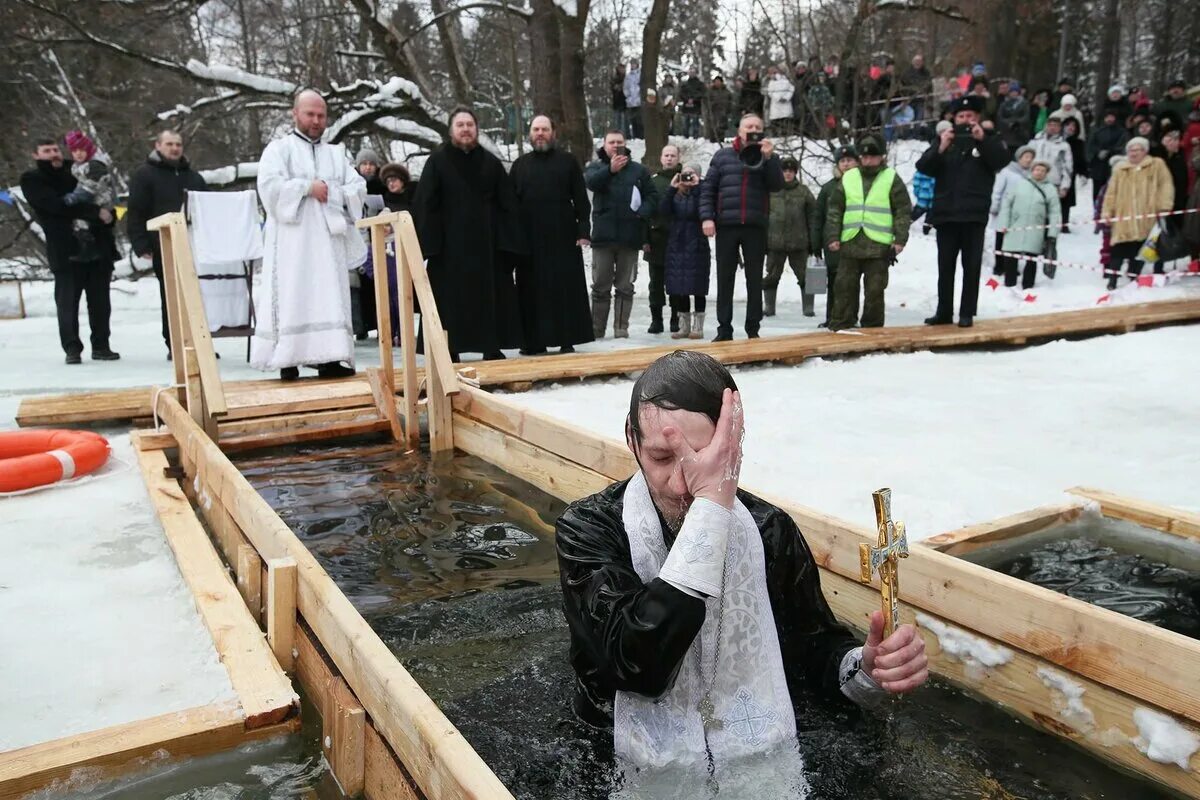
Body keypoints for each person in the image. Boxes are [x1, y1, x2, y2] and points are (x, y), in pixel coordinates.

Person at [555, 350, 928, 769]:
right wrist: (712, 508)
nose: (683, 483)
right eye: (662, 457)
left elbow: (811, 646)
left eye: (704, 460)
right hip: (617, 750)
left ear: (732, 448)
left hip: (756, 749)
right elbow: (636, 669)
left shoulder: (769, 529)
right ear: (631, 439)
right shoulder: (588, 528)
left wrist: (865, 668)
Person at [252, 90, 365, 379]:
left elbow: (357, 188)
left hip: (328, 244)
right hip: (293, 242)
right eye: (310, 114)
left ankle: (329, 358)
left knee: (329, 295)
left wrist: (332, 191)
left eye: (321, 115)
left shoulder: (336, 154)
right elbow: (269, 188)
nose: (316, 121)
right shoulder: (279, 150)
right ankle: (288, 359)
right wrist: (306, 188)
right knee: (294, 294)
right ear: (295, 114)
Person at [415, 106, 526, 360]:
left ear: (476, 129)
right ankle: (449, 350)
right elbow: (425, 203)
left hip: (487, 246)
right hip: (450, 249)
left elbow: (507, 204)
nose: (465, 129)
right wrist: (430, 244)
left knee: (491, 298)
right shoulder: (437, 161)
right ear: (451, 130)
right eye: (460, 125)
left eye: (470, 125)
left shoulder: (491, 163)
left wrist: (508, 245)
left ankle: (491, 346)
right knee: (449, 303)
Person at [21, 137, 119, 364]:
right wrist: (95, 213)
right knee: (67, 303)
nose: (54, 154)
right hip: (66, 249)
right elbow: (56, 207)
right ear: (36, 156)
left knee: (101, 302)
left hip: (98, 245)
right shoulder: (32, 179)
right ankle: (72, 348)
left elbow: (102, 194)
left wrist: (108, 215)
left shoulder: (77, 169)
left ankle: (102, 345)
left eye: (56, 149)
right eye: (47, 151)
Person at [917, 94, 1009, 328]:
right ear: (954, 118)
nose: (965, 120)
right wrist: (941, 146)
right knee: (945, 268)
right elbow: (924, 167)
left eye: (970, 116)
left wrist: (983, 141)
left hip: (973, 215)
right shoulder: (946, 141)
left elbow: (1000, 161)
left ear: (977, 118)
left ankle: (967, 312)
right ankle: (944, 311)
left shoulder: (988, 140)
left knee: (972, 267)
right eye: (961, 116)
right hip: (946, 215)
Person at [510, 115, 593, 356]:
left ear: (553, 133)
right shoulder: (520, 165)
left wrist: (583, 231)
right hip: (529, 240)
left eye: (545, 129)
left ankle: (567, 339)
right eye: (536, 129)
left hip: (562, 237)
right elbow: (510, 204)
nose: (540, 133)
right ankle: (533, 341)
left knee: (564, 289)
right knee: (531, 290)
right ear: (529, 134)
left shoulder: (568, 162)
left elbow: (581, 200)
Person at [699, 113, 784, 341]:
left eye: (757, 126)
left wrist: (770, 158)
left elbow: (777, 185)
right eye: (749, 126)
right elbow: (708, 189)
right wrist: (707, 218)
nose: (753, 129)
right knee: (725, 277)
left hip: (755, 225)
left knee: (754, 278)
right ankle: (724, 328)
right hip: (727, 224)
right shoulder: (723, 156)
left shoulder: (768, 156)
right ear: (740, 130)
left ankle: (753, 327)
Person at [125, 129, 207, 357]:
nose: (174, 148)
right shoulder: (145, 175)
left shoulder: (194, 177)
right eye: (169, 144)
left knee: (198, 294)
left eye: (178, 144)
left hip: (194, 245)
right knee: (172, 295)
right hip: (163, 243)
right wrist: (140, 243)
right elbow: (136, 212)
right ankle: (175, 343)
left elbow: (207, 208)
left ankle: (201, 342)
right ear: (158, 146)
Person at [824, 135, 912, 331]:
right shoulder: (849, 177)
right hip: (850, 242)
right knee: (844, 287)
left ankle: (872, 328)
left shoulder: (891, 178)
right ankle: (841, 325)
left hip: (878, 245)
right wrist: (832, 236)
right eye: (864, 156)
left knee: (874, 290)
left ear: (882, 157)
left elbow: (903, 211)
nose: (867, 160)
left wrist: (899, 239)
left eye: (872, 156)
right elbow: (835, 209)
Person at [585, 130, 657, 339]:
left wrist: (641, 213)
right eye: (611, 142)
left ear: (625, 145)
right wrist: (610, 170)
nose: (616, 145)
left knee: (625, 286)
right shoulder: (596, 167)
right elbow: (591, 183)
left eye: (619, 142)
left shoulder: (638, 170)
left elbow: (652, 196)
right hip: (602, 237)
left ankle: (621, 328)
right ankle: (597, 329)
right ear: (604, 145)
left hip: (629, 236)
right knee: (600, 286)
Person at [1100, 137, 1174, 289]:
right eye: (1131, 150)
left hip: (1148, 216)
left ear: (1145, 151)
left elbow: (1166, 186)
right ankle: (1112, 279)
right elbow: (1111, 193)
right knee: (1118, 249)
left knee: (1142, 248)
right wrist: (1107, 212)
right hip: (1124, 217)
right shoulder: (1120, 169)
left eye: (1137, 150)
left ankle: (1135, 277)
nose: (1134, 153)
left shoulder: (1156, 165)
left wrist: (1164, 206)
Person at [765, 157, 820, 317]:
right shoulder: (771, 190)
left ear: (795, 173)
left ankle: (808, 307)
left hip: (799, 242)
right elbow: (763, 215)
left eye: (791, 171)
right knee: (771, 276)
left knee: (806, 276)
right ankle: (769, 307)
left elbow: (813, 217)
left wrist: (813, 241)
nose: (787, 174)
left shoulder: (803, 191)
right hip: (775, 242)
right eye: (784, 171)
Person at [661, 164, 710, 339]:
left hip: (697, 244)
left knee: (698, 286)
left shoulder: (703, 193)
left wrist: (698, 187)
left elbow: (704, 208)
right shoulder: (676, 194)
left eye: (692, 174)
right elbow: (663, 211)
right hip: (677, 245)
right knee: (680, 286)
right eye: (686, 174)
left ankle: (698, 326)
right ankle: (683, 326)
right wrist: (671, 189)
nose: (688, 178)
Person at [996, 158, 1061, 290]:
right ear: (1032, 170)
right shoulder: (1020, 184)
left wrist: (1052, 233)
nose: (1039, 173)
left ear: (1046, 173)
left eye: (1043, 171)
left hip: (1036, 227)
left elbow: (1055, 212)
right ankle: (1009, 284)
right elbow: (1007, 204)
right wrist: (1004, 223)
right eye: (1037, 169)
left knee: (1032, 259)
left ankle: (1028, 285)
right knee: (1010, 256)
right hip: (1015, 226)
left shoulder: (1050, 189)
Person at [815, 146, 859, 328]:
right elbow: (818, 217)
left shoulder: (861, 185)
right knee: (834, 280)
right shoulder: (828, 188)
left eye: (850, 160)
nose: (846, 164)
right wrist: (816, 243)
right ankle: (832, 316)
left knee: (852, 281)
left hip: (855, 240)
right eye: (843, 161)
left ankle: (851, 317)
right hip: (833, 241)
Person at [61, 131, 116, 268]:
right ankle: (85, 247)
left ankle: (91, 248)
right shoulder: (77, 166)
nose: (78, 154)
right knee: (80, 223)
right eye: (74, 151)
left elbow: (92, 185)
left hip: (102, 197)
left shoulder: (95, 165)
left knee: (86, 221)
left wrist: (75, 196)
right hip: (89, 197)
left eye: (81, 150)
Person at [646, 144, 683, 334]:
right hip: (657, 238)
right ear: (661, 158)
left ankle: (675, 318)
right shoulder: (653, 181)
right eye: (666, 155)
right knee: (656, 283)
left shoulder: (686, 179)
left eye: (673, 155)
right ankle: (656, 319)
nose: (669, 158)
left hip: (679, 239)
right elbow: (647, 211)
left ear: (678, 158)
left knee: (676, 282)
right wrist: (645, 239)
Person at [990, 145, 1036, 277]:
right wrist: (995, 205)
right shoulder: (1007, 172)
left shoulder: (1031, 174)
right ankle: (999, 265)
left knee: (1015, 240)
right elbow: (997, 190)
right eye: (1026, 157)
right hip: (1004, 211)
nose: (1028, 160)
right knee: (1001, 239)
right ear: (1019, 158)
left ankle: (1011, 266)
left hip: (1020, 214)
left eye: (1031, 158)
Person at [1030, 115, 1075, 227]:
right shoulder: (1036, 141)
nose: (1052, 128)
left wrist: (1064, 187)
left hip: (1053, 183)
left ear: (1060, 128)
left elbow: (1067, 168)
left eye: (1055, 125)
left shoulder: (1064, 145)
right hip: (1034, 182)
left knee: (1049, 215)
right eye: (1050, 125)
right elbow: (1027, 160)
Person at [1087, 109, 1130, 190]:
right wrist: (1097, 152)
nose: (1109, 119)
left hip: (1115, 164)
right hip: (1098, 166)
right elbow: (1090, 146)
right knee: (1098, 191)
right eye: (1107, 117)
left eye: (1112, 117)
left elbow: (1123, 145)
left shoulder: (1121, 131)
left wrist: (1110, 151)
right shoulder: (1096, 131)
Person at [1061, 117, 1087, 231]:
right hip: (1054, 172)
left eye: (1074, 126)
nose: (1071, 128)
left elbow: (1081, 159)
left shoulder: (1078, 143)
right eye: (1068, 125)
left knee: (1066, 201)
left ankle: (1064, 224)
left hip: (1070, 173)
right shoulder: (1058, 139)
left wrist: (1084, 173)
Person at [995, 82, 1031, 150]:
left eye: (1015, 91)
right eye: (1012, 91)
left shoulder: (1024, 103)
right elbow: (1000, 116)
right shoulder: (1004, 104)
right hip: (1006, 133)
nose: (1014, 93)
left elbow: (1026, 116)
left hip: (1019, 133)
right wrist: (1008, 123)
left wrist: (1016, 122)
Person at [900, 54, 933, 121]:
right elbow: (902, 86)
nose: (917, 63)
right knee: (909, 120)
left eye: (919, 61)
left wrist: (927, 94)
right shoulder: (906, 73)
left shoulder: (926, 73)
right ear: (912, 62)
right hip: (909, 100)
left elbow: (929, 85)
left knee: (919, 120)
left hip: (921, 101)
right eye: (916, 61)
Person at [764, 65, 795, 135]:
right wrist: (778, 98)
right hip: (776, 106)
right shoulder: (772, 81)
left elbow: (791, 89)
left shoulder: (788, 80)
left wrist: (786, 98)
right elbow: (770, 91)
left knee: (786, 124)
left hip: (786, 106)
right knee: (776, 124)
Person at [680, 67, 706, 139]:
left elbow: (702, 93)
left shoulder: (700, 84)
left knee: (695, 122)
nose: (691, 73)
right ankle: (685, 137)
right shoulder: (685, 84)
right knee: (686, 123)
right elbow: (681, 94)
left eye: (693, 72)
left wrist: (693, 99)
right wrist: (687, 99)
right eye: (690, 72)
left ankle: (695, 137)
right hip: (686, 106)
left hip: (696, 106)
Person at [707, 76, 732, 142]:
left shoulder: (726, 91)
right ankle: (713, 140)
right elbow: (707, 101)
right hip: (714, 111)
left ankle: (721, 140)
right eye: (716, 81)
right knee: (713, 127)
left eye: (719, 81)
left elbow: (730, 101)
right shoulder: (711, 91)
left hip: (723, 112)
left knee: (722, 127)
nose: (717, 83)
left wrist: (728, 110)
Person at [624, 60, 643, 139]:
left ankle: (641, 136)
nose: (633, 65)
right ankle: (635, 136)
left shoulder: (641, 75)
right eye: (631, 64)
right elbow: (625, 88)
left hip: (639, 101)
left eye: (634, 64)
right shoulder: (628, 76)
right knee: (633, 120)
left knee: (640, 120)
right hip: (631, 102)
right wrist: (628, 97)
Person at [611, 64, 628, 135]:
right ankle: (618, 134)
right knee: (617, 120)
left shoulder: (627, 78)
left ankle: (626, 134)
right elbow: (613, 88)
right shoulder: (614, 78)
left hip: (625, 102)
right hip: (616, 101)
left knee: (625, 121)